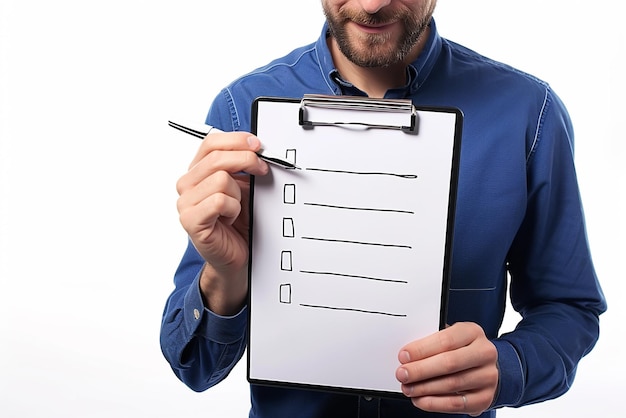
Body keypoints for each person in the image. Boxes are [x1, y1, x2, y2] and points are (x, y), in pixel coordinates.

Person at [160, 1, 607, 416]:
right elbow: (196, 366)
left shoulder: (529, 112)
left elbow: (568, 308)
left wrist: (508, 368)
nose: (372, 4)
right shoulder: (243, 109)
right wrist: (225, 273)